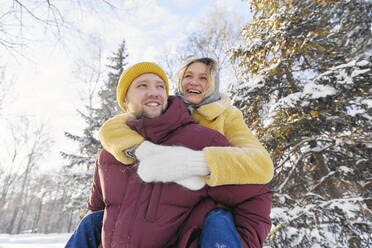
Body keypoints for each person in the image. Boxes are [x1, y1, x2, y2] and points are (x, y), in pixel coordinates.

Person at [65, 62, 272, 248]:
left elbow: (258, 180)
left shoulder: (213, 134)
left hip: (211, 218)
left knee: (218, 217)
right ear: (125, 101)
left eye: (159, 86)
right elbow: (98, 210)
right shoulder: (111, 150)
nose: (153, 92)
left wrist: (198, 162)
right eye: (142, 85)